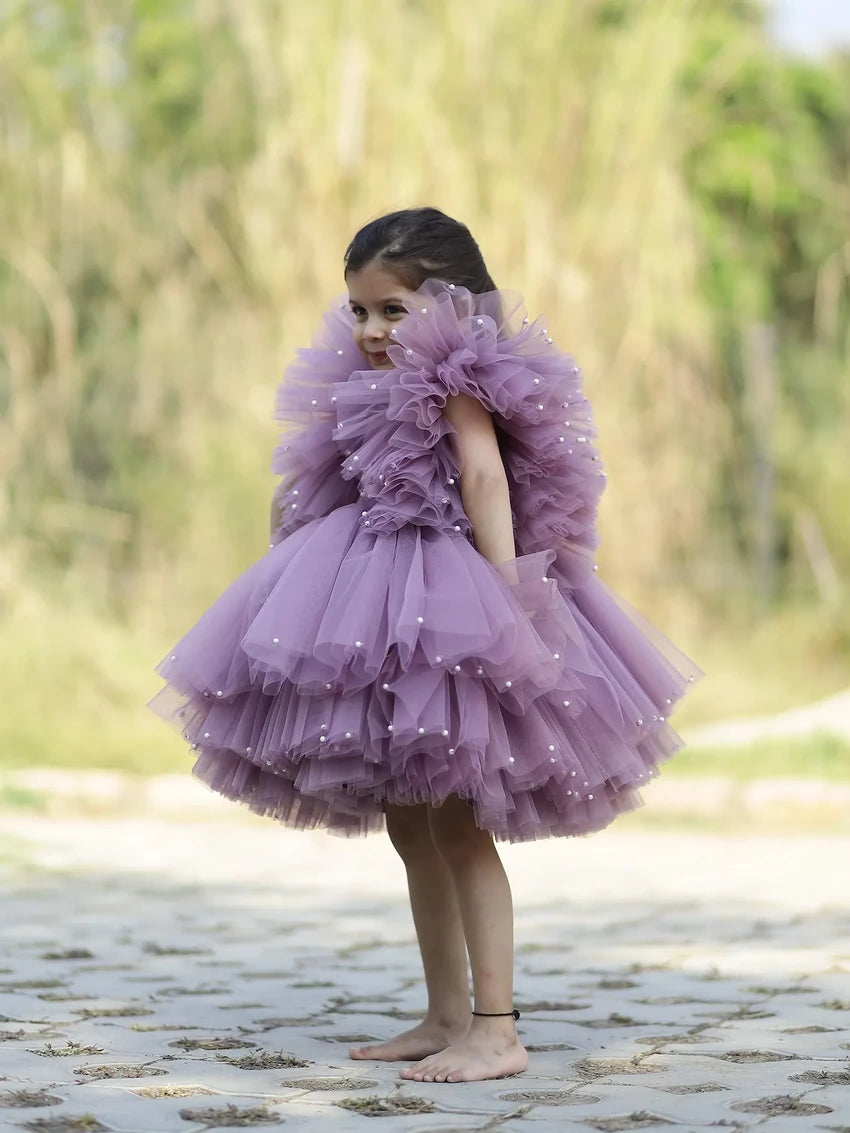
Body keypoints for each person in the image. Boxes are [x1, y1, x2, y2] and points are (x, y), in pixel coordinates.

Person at [148, 207, 702, 1084]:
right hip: (367, 594)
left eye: (392, 310)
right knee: (412, 822)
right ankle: (445, 1012)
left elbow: (482, 476)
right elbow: (315, 479)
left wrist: (510, 599)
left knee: (458, 823)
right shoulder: (357, 378)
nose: (371, 330)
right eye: (360, 310)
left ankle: (496, 1026)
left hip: (448, 604)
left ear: (450, 306)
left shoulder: (451, 379)